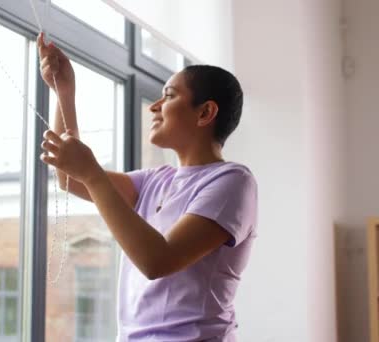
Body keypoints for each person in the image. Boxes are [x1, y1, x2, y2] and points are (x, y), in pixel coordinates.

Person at [37, 33, 257, 342]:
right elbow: (72, 177)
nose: (154, 106)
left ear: (205, 112)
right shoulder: (155, 180)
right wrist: (64, 92)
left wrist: (94, 175)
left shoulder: (233, 182)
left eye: (168, 96)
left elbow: (158, 261)